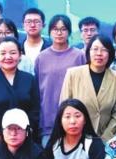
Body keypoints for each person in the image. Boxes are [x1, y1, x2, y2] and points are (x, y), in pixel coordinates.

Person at [0, 37, 41, 148]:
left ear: (20, 55)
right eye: (3, 53)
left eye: (13, 53)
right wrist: (1, 143)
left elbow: (35, 112)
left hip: (26, 143)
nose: (8, 57)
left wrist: (22, 138)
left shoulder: (29, 79)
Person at [60, 35, 116, 140]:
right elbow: (64, 108)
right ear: (88, 52)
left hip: (106, 139)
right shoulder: (73, 74)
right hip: (77, 137)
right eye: (95, 49)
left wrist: (105, 138)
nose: (99, 53)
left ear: (110, 54)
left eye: (104, 50)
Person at [34, 14, 86, 142]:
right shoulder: (41, 57)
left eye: (63, 29)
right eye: (55, 29)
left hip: (74, 121)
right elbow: (36, 91)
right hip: (48, 121)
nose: (59, 33)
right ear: (49, 31)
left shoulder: (79, 56)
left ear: (69, 32)